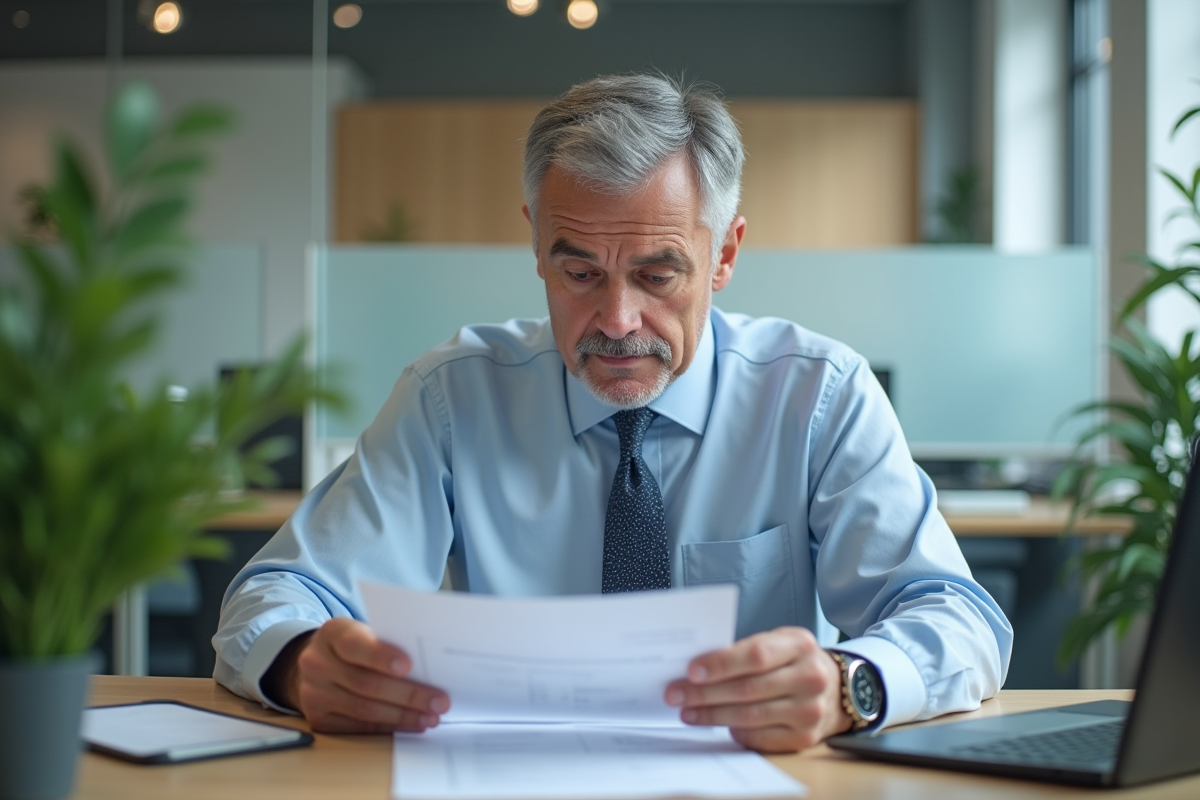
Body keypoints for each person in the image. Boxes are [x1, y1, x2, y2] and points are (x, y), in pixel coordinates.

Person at [214, 73, 1012, 753]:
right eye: (581, 273)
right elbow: (274, 596)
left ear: (725, 254)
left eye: (658, 276)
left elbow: (958, 618)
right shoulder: (450, 399)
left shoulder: (819, 397)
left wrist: (851, 684)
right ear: (536, 246)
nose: (619, 321)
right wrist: (301, 663)